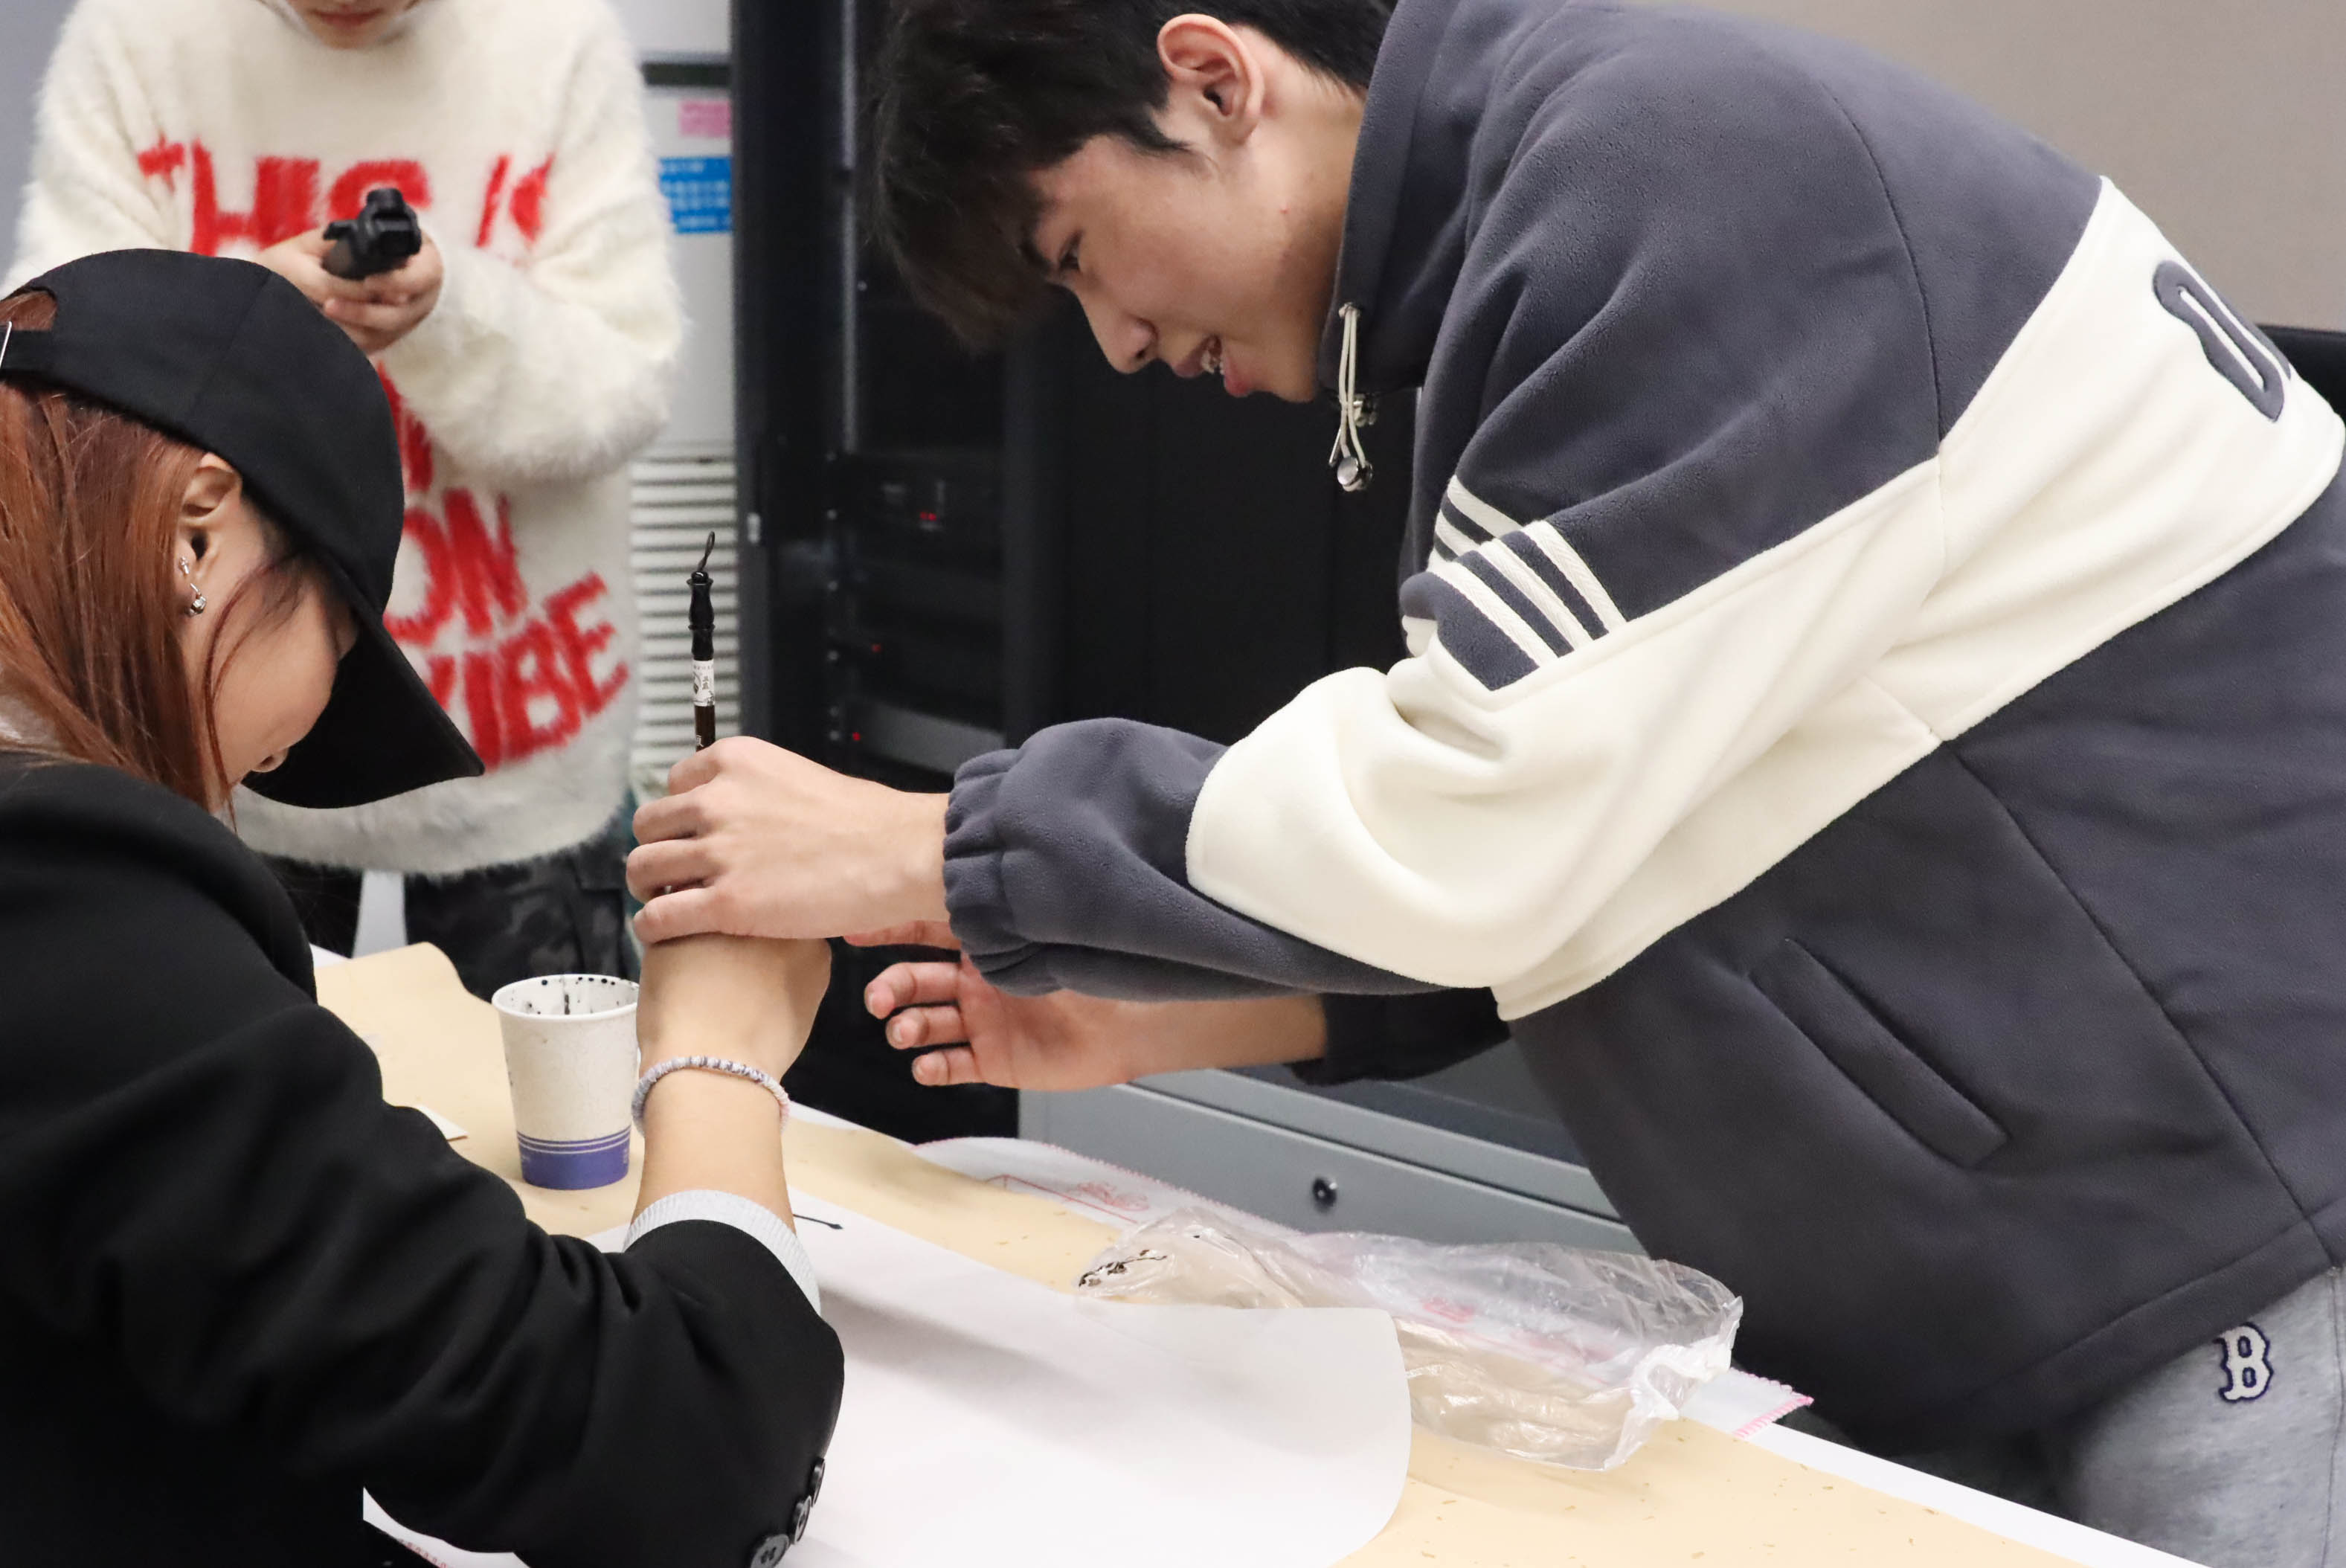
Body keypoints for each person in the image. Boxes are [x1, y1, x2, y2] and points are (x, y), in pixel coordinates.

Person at [627, 1, 2346, 1563]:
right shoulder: (1543, 224)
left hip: (2224, 1239)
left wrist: (937, 843)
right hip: (2049, 1246)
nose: (1118, 343)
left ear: (1211, 80)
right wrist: (1197, 1011)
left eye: (1077, 255)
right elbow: (1623, 823)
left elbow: (1482, 814)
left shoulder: (1675, 180)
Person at [0, 250, 838, 1567]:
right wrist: (717, 1055)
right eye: (333, 648)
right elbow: (676, 1450)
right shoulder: (55, 881)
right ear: (197, 529)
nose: (276, 753)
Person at [10, 0, 684, 997]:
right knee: (228, 1084)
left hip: (518, 738)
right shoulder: (140, 36)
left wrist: (450, 313)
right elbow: (48, 386)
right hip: (215, 735)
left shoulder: (555, 37)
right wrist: (249, 317)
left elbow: (624, 390)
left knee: (546, 1094)